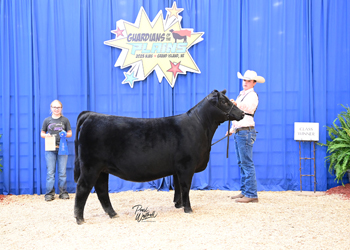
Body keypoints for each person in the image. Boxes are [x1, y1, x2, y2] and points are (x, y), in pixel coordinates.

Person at [227, 70, 265, 203]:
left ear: (254, 83)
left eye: (248, 81)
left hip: (246, 131)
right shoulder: (241, 95)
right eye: (244, 80)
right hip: (240, 131)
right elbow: (238, 115)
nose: (246, 83)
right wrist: (232, 129)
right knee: (242, 162)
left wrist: (237, 104)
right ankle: (245, 191)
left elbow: (249, 108)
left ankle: (251, 194)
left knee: (246, 163)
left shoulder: (252, 95)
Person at [41, 100, 72, 201]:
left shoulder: (65, 120)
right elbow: (42, 133)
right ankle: (49, 194)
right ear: (51, 108)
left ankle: (63, 193)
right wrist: (46, 135)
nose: (56, 109)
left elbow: (70, 133)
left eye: (58, 107)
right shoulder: (47, 120)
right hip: (50, 149)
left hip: (62, 149)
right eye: (54, 107)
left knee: (62, 172)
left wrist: (65, 134)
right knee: (50, 173)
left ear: (61, 108)